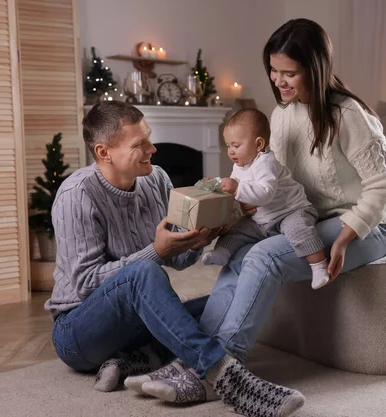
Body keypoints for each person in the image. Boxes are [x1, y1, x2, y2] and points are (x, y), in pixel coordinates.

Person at [140, 18, 386, 387]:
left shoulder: (349, 116)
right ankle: (196, 356)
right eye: (274, 70)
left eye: (289, 72)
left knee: (263, 258)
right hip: (304, 217)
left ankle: (220, 374)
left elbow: (383, 187)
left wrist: (344, 237)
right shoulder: (281, 116)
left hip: (367, 226)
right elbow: (269, 178)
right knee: (237, 256)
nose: (278, 80)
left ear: (316, 68)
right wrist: (237, 210)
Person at [44, 100, 305, 417]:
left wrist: (203, 236)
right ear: (103, 152)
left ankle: (138, 358)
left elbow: (179, 262)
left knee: (226, 295)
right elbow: (85, 285)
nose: (152, 149)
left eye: (149, 138)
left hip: (133, 327)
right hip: (78, 332)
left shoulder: (156, 179)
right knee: (143, 273)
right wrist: (157, 251)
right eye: (140, 144)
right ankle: (226, 377)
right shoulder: (77, 195)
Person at [202, 108, 330, 289]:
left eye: (236, 146)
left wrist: (237, 188)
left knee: (299, 230)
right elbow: (238, 189)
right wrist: (216, 184)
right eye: (228, 146)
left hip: (290, 211)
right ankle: (222, 251)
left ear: (259, 144)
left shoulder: (265, 163)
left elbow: (265, 193)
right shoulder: (240, 165)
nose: (230, 152)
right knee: (236, 230)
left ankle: (319, 266)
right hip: (262, 219)